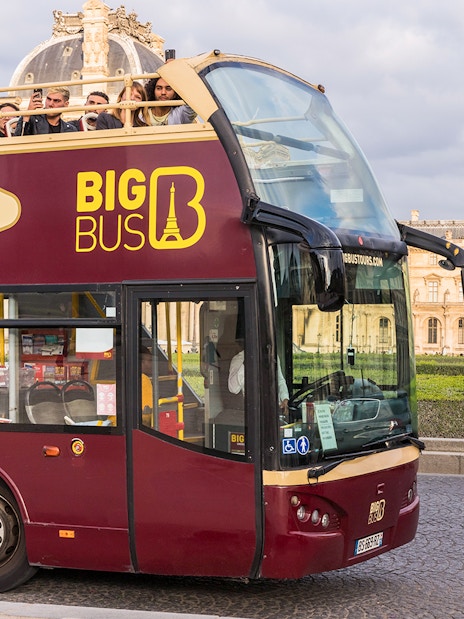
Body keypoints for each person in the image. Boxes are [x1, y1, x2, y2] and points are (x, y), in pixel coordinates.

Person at [228, 348, 289, 415]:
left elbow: (280, 380)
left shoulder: (272, 356)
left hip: (272, 410)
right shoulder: (238, 359)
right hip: (252, 412)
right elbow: (233, 388)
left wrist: (284, 398)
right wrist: (246, 363)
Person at [140, 345, 154, 426]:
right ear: (141, 362)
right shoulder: (144, 380)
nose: (152, 364)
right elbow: (146, 413)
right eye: (149, 361)